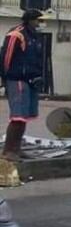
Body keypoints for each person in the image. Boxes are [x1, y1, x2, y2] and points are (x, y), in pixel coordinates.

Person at [0, 9, 45, 162]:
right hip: (17, 79)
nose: (41, 24)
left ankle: (17, 149)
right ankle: (8, 151)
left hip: (31, 81)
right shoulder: (16, 34)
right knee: (17, 117)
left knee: (24, 117)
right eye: (39, 20)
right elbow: (6, 57)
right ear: (31, 20)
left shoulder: (35, 36)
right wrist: (5, 78)